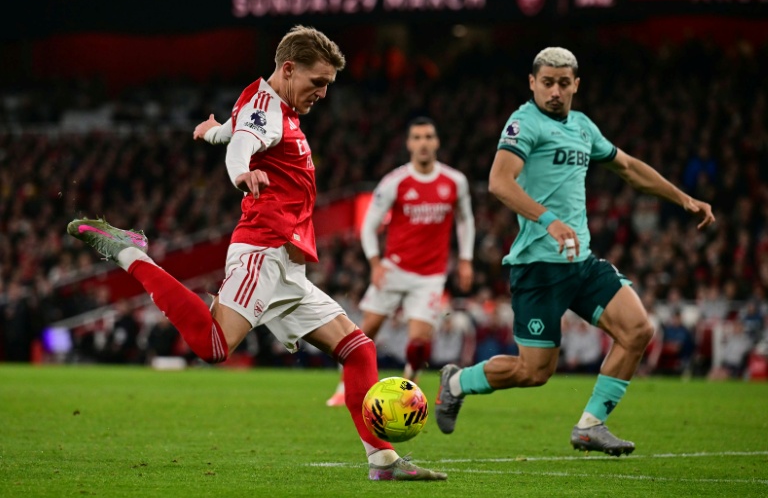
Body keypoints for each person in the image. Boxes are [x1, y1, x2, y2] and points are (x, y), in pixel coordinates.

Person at [67, 25, 446, 481]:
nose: (323, 93)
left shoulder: (264, 102)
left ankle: (383, 462)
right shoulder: (267, 110)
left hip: (288, 265)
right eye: (317, 82)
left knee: (359, 350)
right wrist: (241, 172)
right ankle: (132, 255)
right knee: (213, 345)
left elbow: (234, 130)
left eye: (328, 85)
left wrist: (211, 133)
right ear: (288, 69)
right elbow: (243, 143)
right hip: (262, 249)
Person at [434, 47, 715, 456]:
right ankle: (456, 382)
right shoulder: (523, 123)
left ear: (576, 86)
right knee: (534, 373)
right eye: (546, 82)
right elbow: (499, 182)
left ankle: (590, 425)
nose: (554, 91)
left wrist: (684, 198)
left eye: (563, 83)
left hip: (580, 261)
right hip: (538, 267)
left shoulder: (583, 127)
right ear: (532, 83)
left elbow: (630, 168)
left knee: (638, 329)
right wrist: (547, 220)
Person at [325, 117, 475, 406]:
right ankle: (345, 387)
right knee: (365, 332)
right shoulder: (395, 181)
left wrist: (466, 259)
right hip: (393, 270)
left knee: (418, 343)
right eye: (417, 137)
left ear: (437, 142)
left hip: (430, 275)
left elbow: (465, 221)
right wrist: (375, 262)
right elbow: (369, 225)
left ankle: (407, 397)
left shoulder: (455, 181)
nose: (423, 143)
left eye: (428, 137)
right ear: (409, 144)